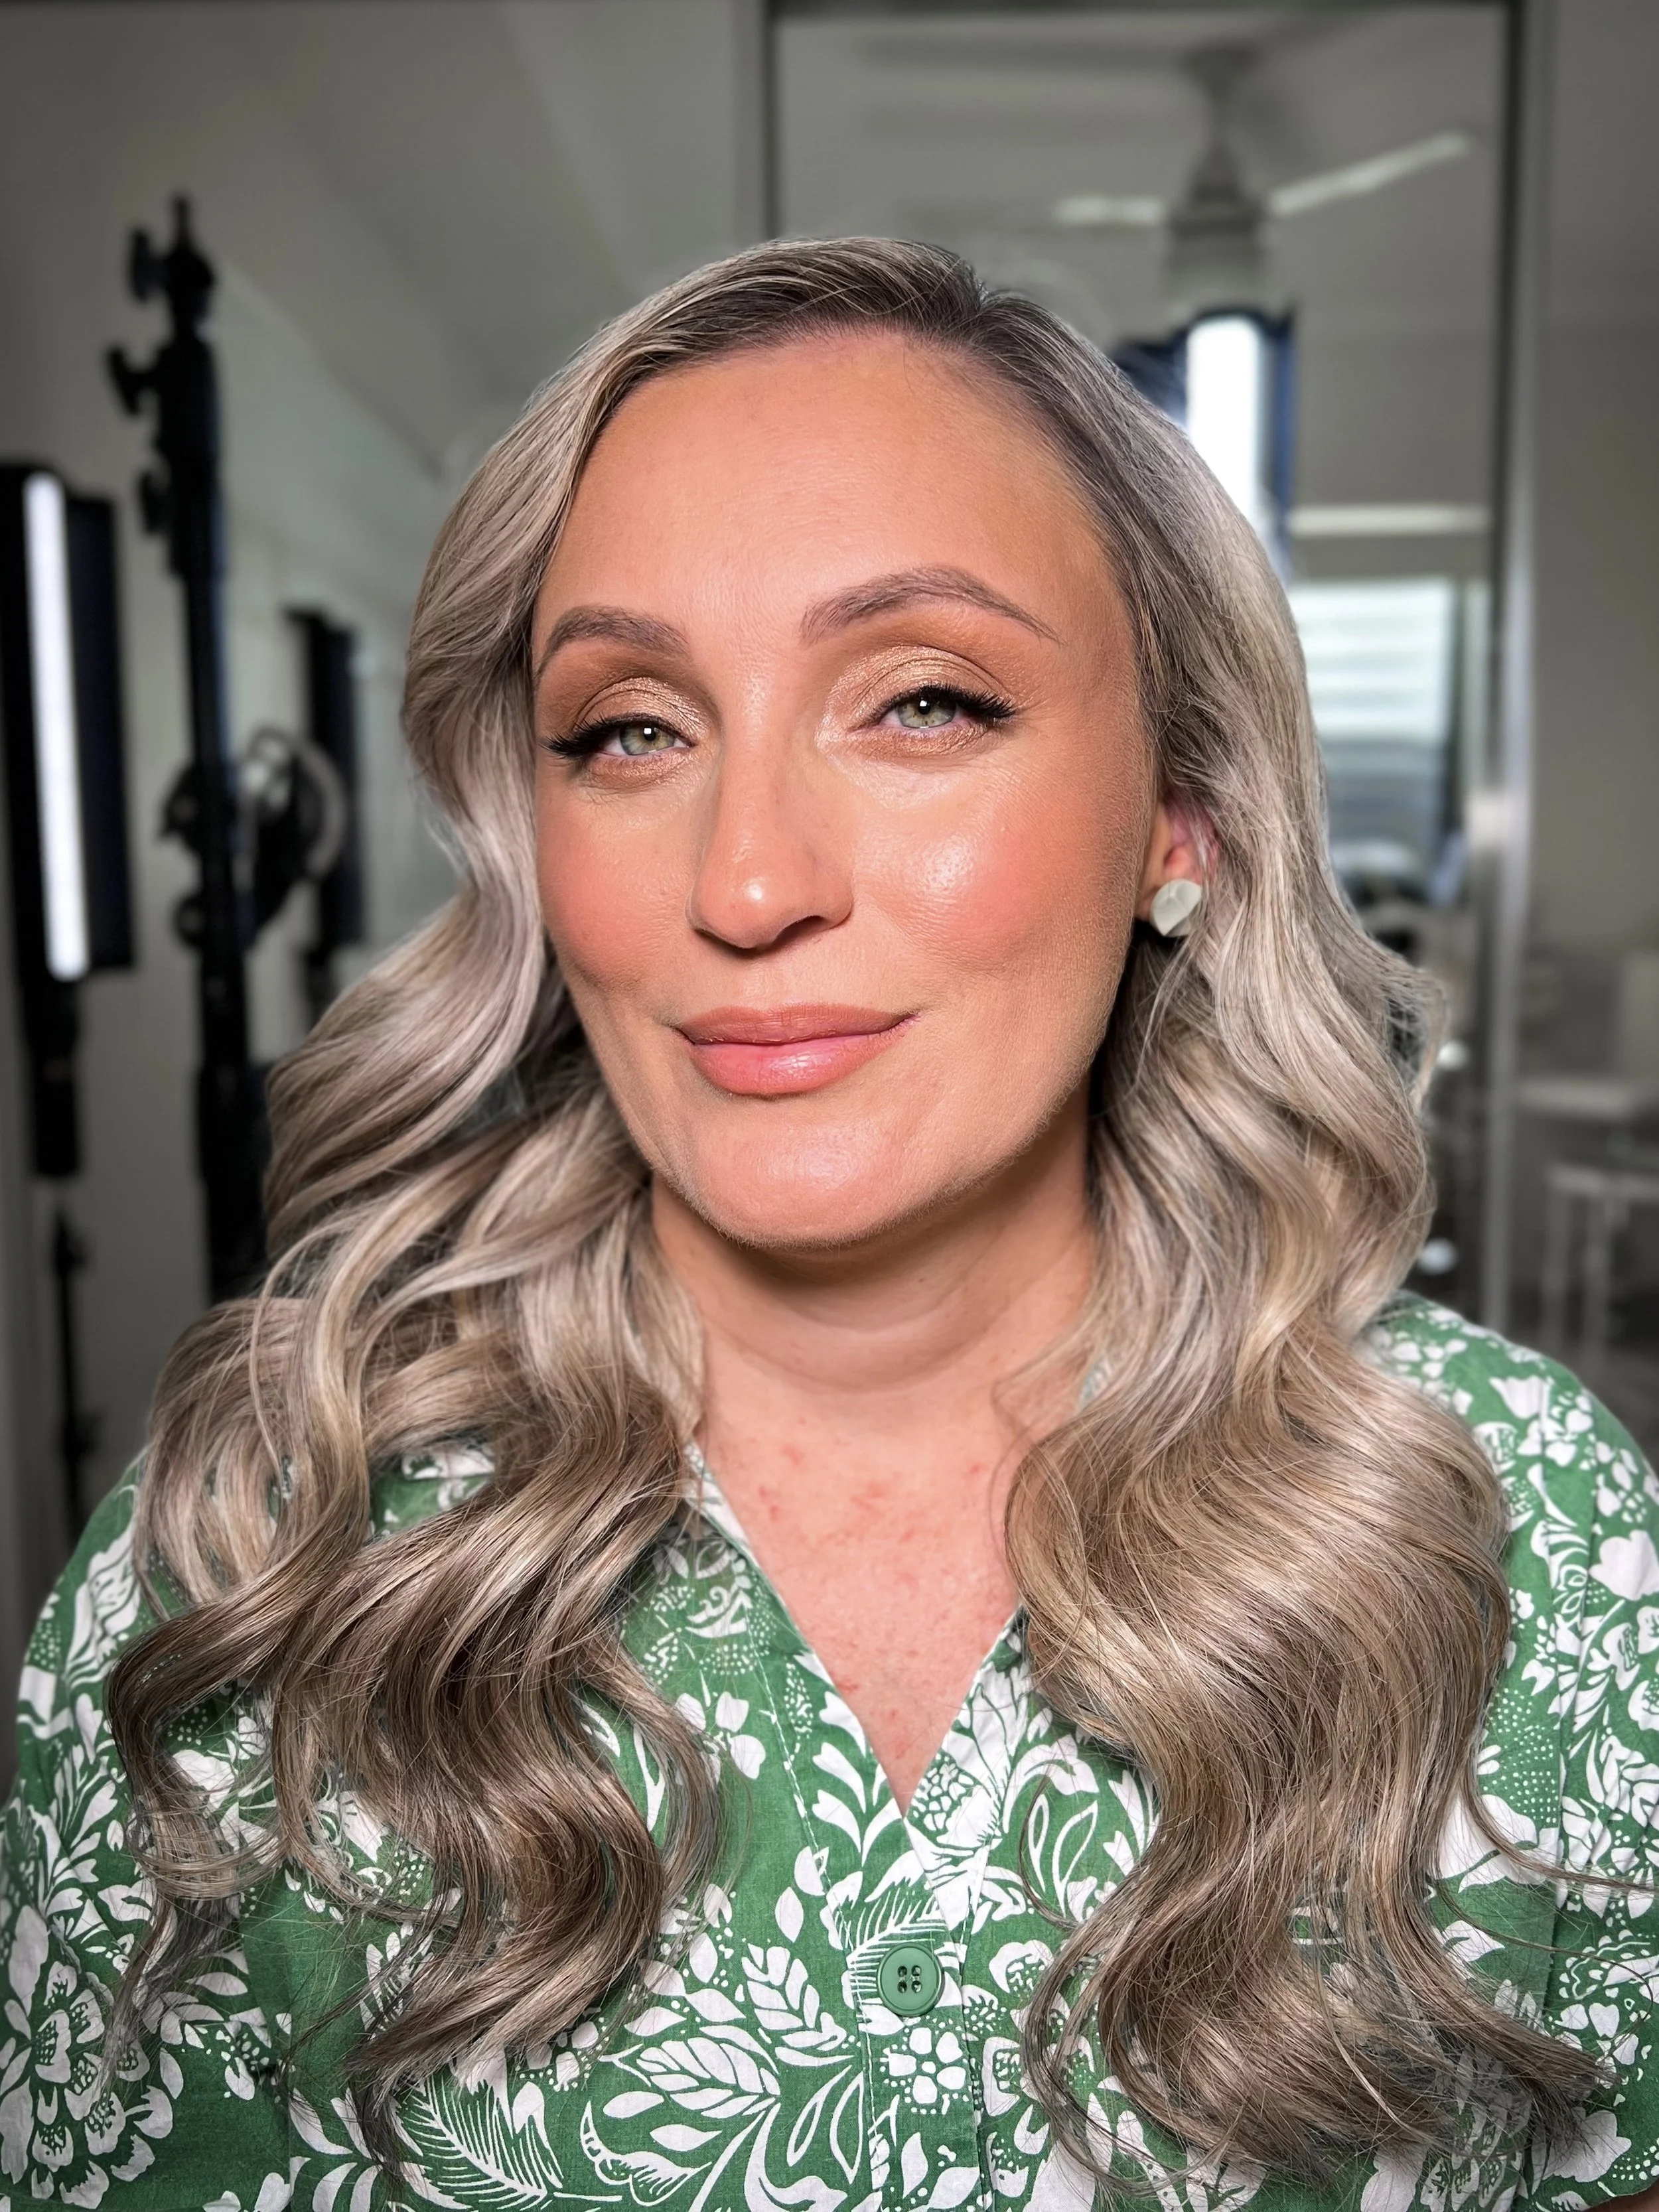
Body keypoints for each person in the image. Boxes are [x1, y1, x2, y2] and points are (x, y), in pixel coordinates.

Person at [1, 240, 1655, 2212]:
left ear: (1181, 809)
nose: (748, 881)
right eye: (630, 729)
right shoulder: (252, 1550)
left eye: (924, 703)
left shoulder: (1526, 1528)